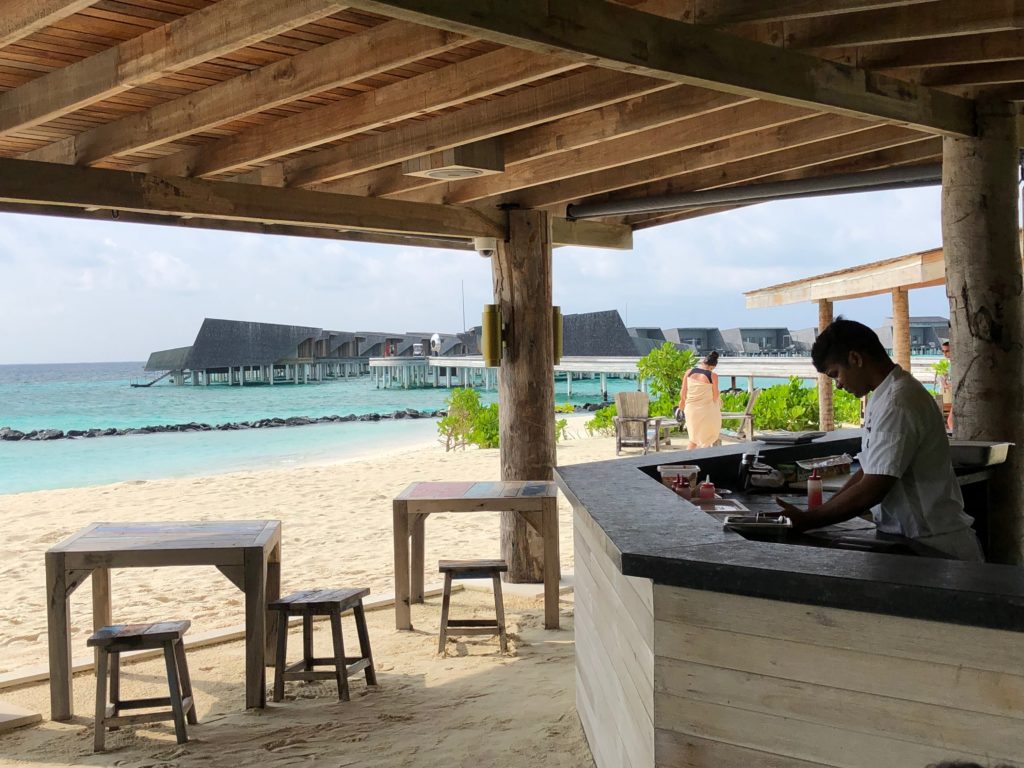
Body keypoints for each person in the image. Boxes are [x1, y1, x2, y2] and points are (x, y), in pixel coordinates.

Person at [776, 318, 984, 562]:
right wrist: (821, 512)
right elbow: (869, 469)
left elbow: (874, 487)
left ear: (855, 359)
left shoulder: (899, 400)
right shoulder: (883, 396)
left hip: (935, 545)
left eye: (836, 374)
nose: (839, 385)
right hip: (912, 541)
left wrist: (810, 519)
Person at [678, 351, 721, 449]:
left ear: (703, 362)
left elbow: (683, 391)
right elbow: (715, 396)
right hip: (706, 410)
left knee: (693, 438)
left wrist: (682, 403)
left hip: (691, 410)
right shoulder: (713, 375)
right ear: (713, 367)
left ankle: (689, 459)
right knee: (706, 436)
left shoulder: (689, 371)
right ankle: (690, 459)